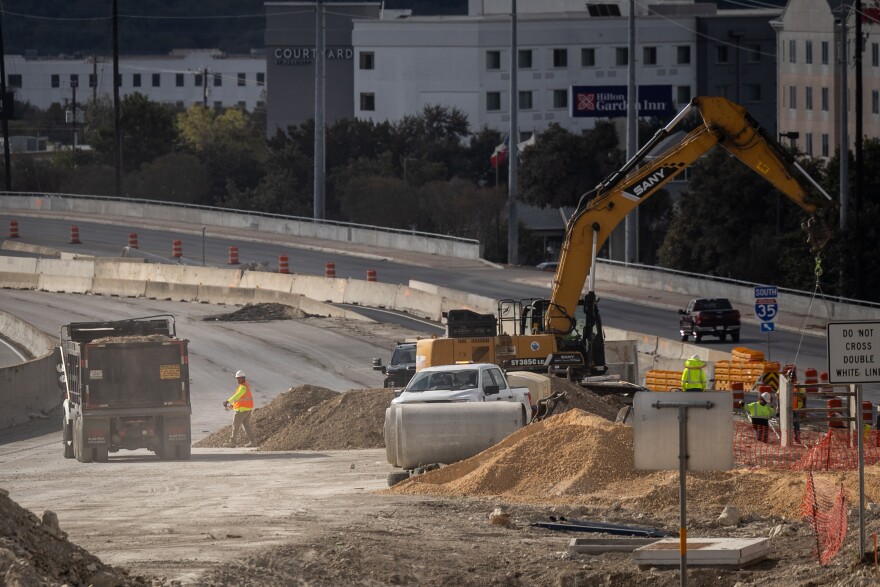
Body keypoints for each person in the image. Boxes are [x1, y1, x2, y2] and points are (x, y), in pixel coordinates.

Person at [224, 370, 257, 448]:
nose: (237, 380)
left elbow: (237, 396)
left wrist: (228, 401)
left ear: (243, 378)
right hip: (247, 410)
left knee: (235, 426)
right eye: (237, 378)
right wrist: (232, 405)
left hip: (241, 410)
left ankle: (232, 443)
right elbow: (239, 399)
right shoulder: (245, 386)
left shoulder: (243, 387)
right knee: (247, 426)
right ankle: (253, 442)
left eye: (239, 378)